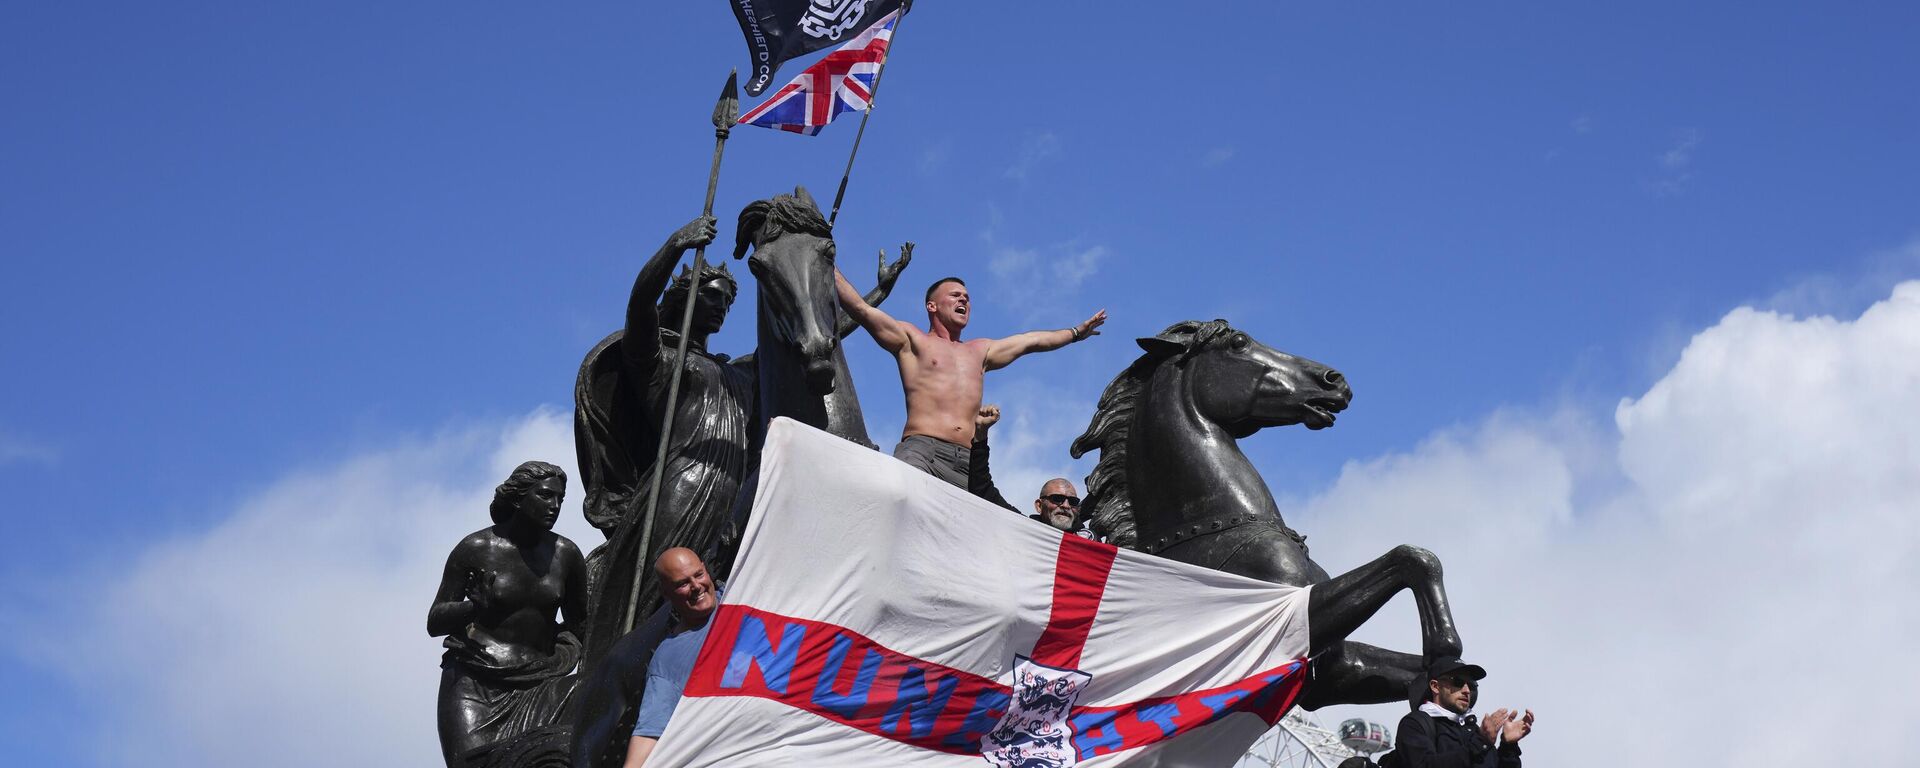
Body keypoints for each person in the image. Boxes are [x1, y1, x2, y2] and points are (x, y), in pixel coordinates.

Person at [573, 215, 752, 665]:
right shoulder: (659, 359)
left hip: (731, 492)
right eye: (712, 296)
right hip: (679, 487)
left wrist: (860, 299)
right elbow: (638, 307)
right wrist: (675, 245)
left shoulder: (735, 372)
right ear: (683, 297)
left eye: (728, 303)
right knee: (654, 599)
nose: (721, 307)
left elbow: (796, 349)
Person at [835, 268, 1106, 490]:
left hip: (967, 460)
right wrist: (825, 253)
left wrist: (1076, 332)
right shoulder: (911, 339)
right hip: (922, 451)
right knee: (900, 499)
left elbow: (1030, 342)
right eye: (955, 296)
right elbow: (860, 308)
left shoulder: (979, 351)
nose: (963, 300)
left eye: (966, 297)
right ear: (932, 306)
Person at [429, 461, 589, 767]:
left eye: (560, 499)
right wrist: (472, 608)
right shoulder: (475, 548)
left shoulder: (566, 555)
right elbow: (435, 621)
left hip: (540, 683)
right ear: (518, 498)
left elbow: (581, 624)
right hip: (475, 682)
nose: (554, 506)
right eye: (545, 496)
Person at [621, 548, 722, 768]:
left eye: (698, 575)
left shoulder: (744, 594)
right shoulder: (669, 658)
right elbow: (650, 731)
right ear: (665, 593)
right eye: (682, 584)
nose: (696, 586)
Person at [1382, 657, 1533, 768]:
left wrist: (1508, 747)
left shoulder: (1477, 733)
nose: (1467, 690)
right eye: (1458, 682)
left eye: (1472, 685)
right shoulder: (1415, 724)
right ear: (1435, 686)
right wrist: (1480, 743)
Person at [1030, 478, 1098, 539]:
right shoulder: (1023, 531)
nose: (1066, 506)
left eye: (1072, 501)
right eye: (1057, 498)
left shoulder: (1089, 541)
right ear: (1039, 506)